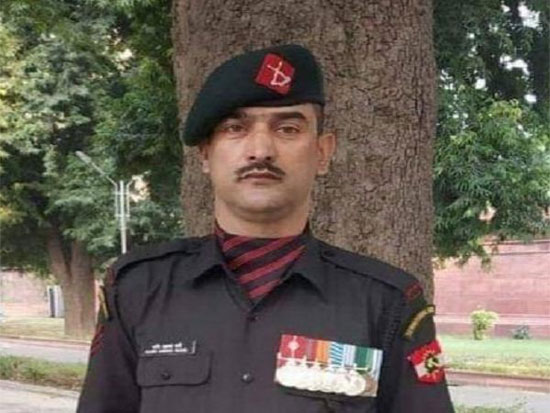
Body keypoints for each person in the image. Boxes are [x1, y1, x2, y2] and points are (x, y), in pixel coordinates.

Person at [77, 44, 454, 413]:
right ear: (205, 154)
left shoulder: (387, 303)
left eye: (288, 128)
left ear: (322, 152)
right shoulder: (137, 290)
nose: (260, 150)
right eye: (235, 128)